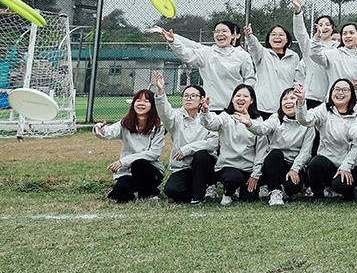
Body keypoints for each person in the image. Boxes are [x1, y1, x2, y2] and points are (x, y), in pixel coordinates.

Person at [146, 22, 255, 109]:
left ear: (233, 36)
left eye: (224, 31)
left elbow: (250, 79)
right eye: (217, 31)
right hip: (212, 108)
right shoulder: (206, 53)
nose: (220, 34)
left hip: (236, 108)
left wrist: (243, 98)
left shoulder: (242, 55)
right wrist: (173, 40)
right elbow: (186, 53)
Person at [152, 71, 217, 205]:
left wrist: (188, 149)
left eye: (193, 96)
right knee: (172, 191)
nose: (188, 99)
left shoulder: (210, 117)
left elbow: (213, 144)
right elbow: (164, 112)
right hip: (183, 167)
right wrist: (160, 90)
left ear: (202, 99)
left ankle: (197, 197)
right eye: (186, 96)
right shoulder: (176, 117)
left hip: (206, 165)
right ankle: (195, 188)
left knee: (201, 155)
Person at [293, 79, 357, 201]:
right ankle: (318, 194)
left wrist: (346, 167)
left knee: (341, 185)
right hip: (327, 160)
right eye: (337, 89)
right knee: (315, 164)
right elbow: (305, 120)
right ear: (331, 92)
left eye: (345, 90)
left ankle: (347, 191)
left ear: (352, 94)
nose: (340, 93)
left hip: (348, 164)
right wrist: (301, 101)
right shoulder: (324, 109)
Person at [93, 89, 165, 203]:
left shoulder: (159, 126)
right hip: (128, 171)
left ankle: (148, 194)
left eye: (146, 101)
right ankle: (129, 191)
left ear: (153, 105)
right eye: (137, 100)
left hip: (150, 170)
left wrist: (123, 161)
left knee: (139, 163)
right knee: (120, 192)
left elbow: (154, 153)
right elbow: (108, 132)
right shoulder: (125, 123)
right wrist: (99, 127)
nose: (141, 103)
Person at [248, 87, 316, 205]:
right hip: (274, 164)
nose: (288, 101)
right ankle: (275, 191)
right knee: (275, 153)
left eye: (292, 98)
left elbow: (306, 151)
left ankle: (284, 189)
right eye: (285, 99)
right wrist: (250, 124)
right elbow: (262, 129)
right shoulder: (275, 118)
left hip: (293, 165)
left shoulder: (308, 123)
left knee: (293, 186)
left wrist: (295, 169)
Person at [199, 83, 264, 205]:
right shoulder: (225, 117)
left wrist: (255, 174)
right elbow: (211, 124)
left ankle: (240, 189)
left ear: (252, 100)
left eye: (245, 96)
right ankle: (228, 192)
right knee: (234, 178)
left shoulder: (258, 121)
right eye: (237, 95)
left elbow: (261, 149)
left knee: (249, 200)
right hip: (228, 166)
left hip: (248, 168)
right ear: (233, 99)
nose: (241, 98)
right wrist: (205, 111)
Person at [242, 22, 304, 120]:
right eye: (273, 34)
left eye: (281, 35)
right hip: (263, 106)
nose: (277, 37)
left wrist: (294, 98)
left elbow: (298, 79)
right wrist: (250, 37)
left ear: (287, 39)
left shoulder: (294, 56)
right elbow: (254, 46)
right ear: (269, 39)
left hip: (285, 107)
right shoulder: (262, 53)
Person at [291, 0, 337, 108]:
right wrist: (298, 11)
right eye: (320, 24)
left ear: (333, 28)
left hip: (332, 97)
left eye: (327, 25)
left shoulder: (338, 48)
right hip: (311, 96)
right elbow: (300, 33)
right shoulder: (309, 45)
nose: (324, 27)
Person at [311, 23, 357, 102]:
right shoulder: (333, 54)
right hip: (335, 103)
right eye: (344, 34)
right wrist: (317, 37)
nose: (348, 36)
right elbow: (314, 54)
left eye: (351, 33)